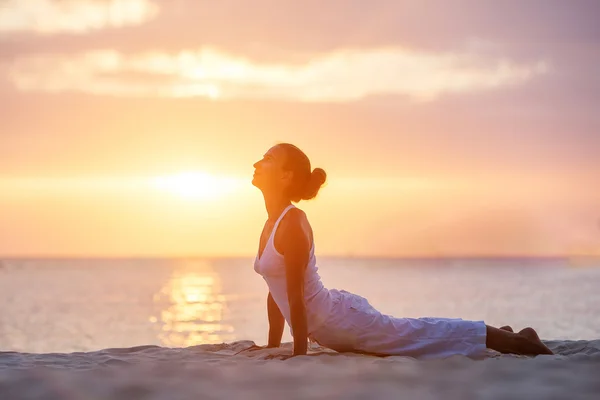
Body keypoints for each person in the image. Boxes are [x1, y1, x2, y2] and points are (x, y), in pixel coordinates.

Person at [252, 143, 554, 360]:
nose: (256, 163)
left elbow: (294, 296)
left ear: (285, 176)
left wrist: (299, 356)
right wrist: (272, 346)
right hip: (331, 323)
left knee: (415, 334)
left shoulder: (293, 223)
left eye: (267, 158)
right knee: (416, 334)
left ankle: (520, 340)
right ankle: (498, 334)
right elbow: (275, 288)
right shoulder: (272, 223)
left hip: (339, 321)